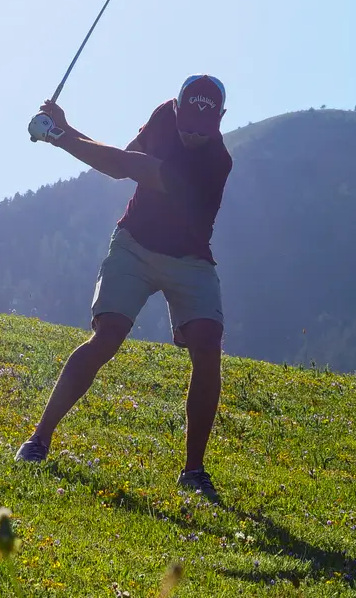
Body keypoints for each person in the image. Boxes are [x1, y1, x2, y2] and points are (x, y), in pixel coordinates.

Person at [14, 75, 234, 503]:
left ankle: (193, 471)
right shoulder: (162, 116)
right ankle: (39, 439)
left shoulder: (216, 163)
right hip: (134, 244)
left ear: (220, 122)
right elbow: (121, 157)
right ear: (176, 110)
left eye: (202, 130)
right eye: (186, 123)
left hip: (190, 258)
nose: (191, 135)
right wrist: (65, 125)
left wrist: (57, 135)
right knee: (109, 333)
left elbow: (126, 167)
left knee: (207, 344)